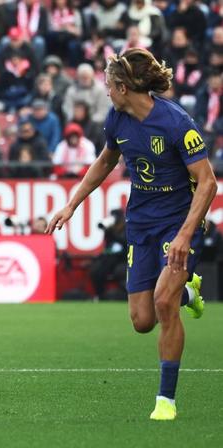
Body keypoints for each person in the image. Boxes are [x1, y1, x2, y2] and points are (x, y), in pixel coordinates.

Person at [47, 48, 218, 420]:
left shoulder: (176, 122)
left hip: (177, 223)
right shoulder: (117, 118)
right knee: (142, 321)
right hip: (140, 224)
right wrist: (71, 204)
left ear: (123, 87)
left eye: (109, 85)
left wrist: (185, 235)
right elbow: (106, 161)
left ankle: (165, 400)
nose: (106, 91)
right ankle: (189, 291)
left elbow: (207, 182)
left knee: (163, 303)